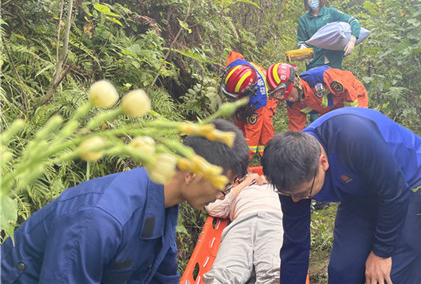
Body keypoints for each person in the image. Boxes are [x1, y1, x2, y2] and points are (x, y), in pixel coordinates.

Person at [1, 119, 249, 284]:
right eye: (222, 187)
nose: (221, 196)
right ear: (192, 173)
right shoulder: (101, 218)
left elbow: (164, 275)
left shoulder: (165, 202)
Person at [262, 107, 421, 284]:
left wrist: (381, 253)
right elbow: (295, 245)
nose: (295, 200)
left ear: (323, 162)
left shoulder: (354, 136)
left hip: (409, 181)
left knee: (390, 276)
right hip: (360, 189)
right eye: (290, 195)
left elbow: (395, 194)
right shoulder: (288, 175)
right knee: (344, 270)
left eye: (304, 194)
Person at [202, 172, 283, 284]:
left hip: (273, 220)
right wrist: (244, 184)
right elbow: (213, 208)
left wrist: (275, 182)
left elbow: (299, 191)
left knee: (275, 272)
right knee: (222, 274)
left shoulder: (278, 186)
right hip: (241, 224)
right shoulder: (233, 192)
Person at [266, 62, 368, 131]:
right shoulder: (293, 104)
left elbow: (349, 94)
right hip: (330, 109)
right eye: (283, 96)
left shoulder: (321, 76)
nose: (288, 99)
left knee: (355, 130)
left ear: (295, 81)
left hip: (354, 95)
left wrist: (350, 120)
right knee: (327, 134)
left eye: (289, 94)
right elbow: (296, 131)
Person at [221, 51, 278, 158]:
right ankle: (236, 146)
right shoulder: (234, 65)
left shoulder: (258, 103)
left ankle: (268, 157)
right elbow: (234, 54)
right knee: (239, 120)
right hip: (253, 81)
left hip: (268, 97)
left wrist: (243, 159)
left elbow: (252, 135)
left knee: (265, 130)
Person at [297, 0, 361, 71]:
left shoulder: (330, 13)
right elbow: (301, 41)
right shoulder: (304, 19)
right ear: (306, 1)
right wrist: (302, 51)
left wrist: (352, 41)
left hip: (334, 63)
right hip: (314, 65)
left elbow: (354, 22)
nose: (312, 0)